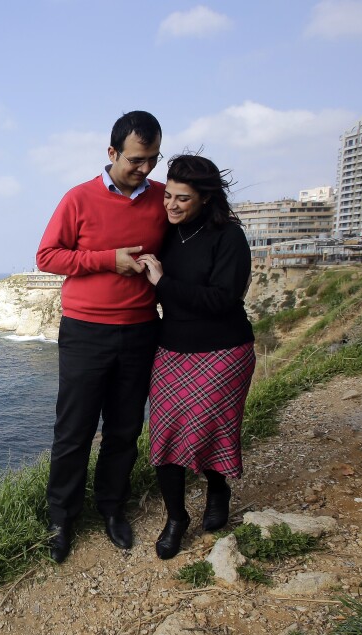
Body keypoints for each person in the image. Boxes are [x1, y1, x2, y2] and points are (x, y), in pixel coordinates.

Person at [36, 110, 168, 563]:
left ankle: (112, 509)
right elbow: (47, 256)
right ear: (112, 153)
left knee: (125, 429)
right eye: (136, 159)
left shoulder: (162, 199)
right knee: (73, 431)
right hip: (86, 331)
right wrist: (106, 260)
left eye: (152, 159)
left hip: (141, 330)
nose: (145, 169)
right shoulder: (78, 198)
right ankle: (62, 518)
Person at [137, 154, 255, 560]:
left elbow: (222, 300)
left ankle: (218, 489)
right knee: (165, 434)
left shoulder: (229, 237)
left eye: (182, 199)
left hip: (224, 351)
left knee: (210, 430)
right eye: (167, 195)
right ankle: (176, 518)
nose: (170, 204)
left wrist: (164, 283)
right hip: (173, 350)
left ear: (205, 198)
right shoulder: (167, 234)